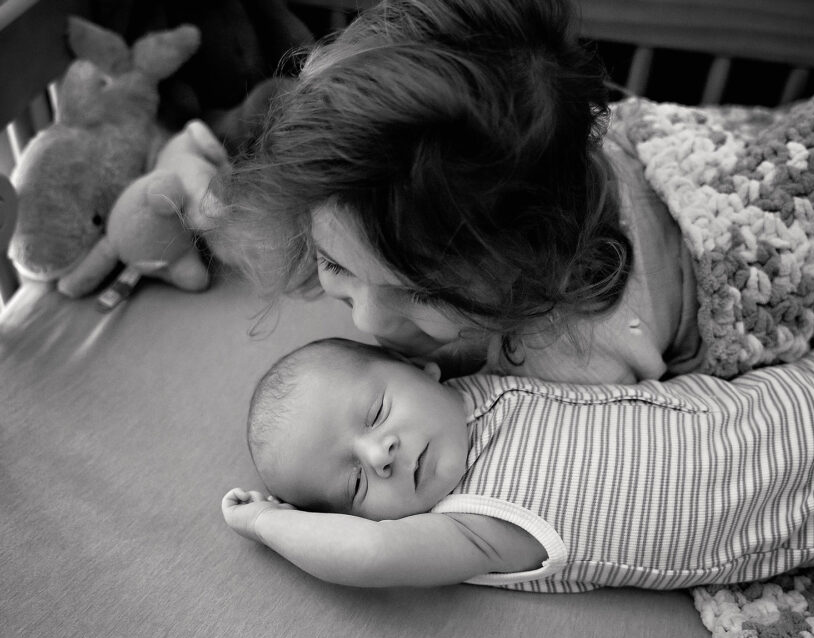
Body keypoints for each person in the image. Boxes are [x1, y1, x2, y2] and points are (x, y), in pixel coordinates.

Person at [221, 337, 814, 593]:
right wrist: (268, 524)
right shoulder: (469, 528)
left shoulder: (479, 377)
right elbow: (367, 555)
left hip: (766, 400)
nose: (381, 453)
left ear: (420, 368)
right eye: (355, 483)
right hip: (797, 502)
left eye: (374, 415)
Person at [217, 0, 703, 383]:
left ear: (533, 260)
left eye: (421, 292)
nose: (368, 321)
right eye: (336, 264)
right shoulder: (351, 196)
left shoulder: (572, 361)